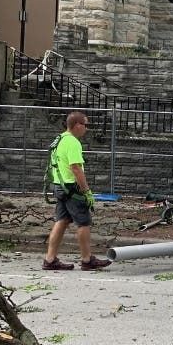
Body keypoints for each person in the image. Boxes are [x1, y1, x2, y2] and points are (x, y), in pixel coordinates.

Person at [43, 111, 111, 271]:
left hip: (59, 186)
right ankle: (87, 260)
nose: (86, 129)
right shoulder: (73, 142)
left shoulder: (59, 139)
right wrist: (86, 191)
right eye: (85, 125)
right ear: (77, 125)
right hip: (72, 188)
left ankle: (50, 259)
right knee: (84, 222)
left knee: (62, 221)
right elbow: (76, 168)